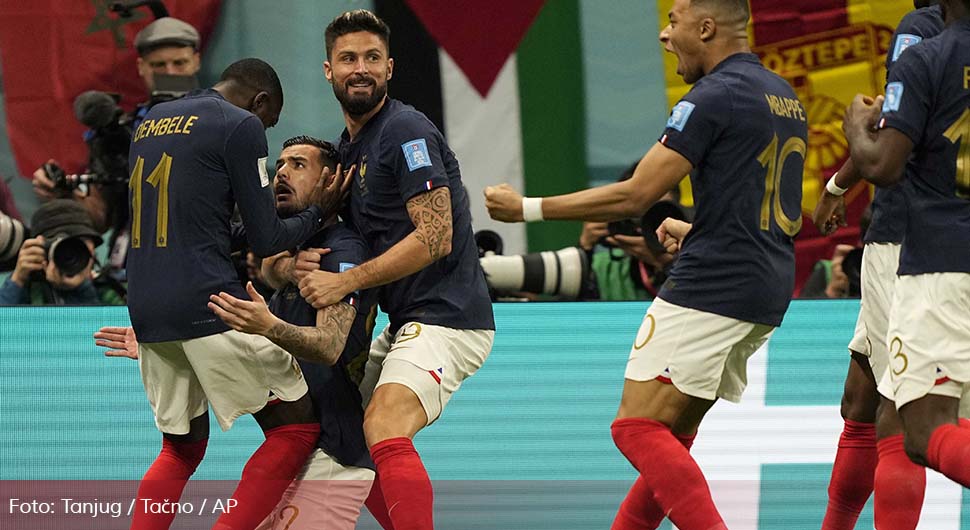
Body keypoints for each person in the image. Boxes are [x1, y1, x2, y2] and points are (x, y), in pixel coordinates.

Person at [486, 0, 805, 527]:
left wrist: (527, 208)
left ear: (706, 27)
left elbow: (637, 194)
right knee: (672, 438)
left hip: (712, 285)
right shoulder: (784, 95)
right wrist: (698, 230)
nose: (664, 34)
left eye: (674, 22)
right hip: (766, 286)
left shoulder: (714, 95)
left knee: (634, 428)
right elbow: (759, 208)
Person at [99, 136, 376, 530]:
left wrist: (268, 324)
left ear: (331, 181)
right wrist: (179, 334)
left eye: (298, 165)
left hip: (333, 452)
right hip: (302, 451)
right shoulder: (290, 249)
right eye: (281, 164)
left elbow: (329, 346)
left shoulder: (341, 251)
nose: (281, 173)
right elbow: (261, 293)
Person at [293, 10, 495, 529]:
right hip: (406, 321)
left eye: (372, 58)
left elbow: (436, 237)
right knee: (345, 434)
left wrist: (344, 281)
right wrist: (289, 263)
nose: (360, 68)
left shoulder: (405, 131)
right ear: (328, 70)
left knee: (383, 424)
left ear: (389, 68)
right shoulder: (348, 149)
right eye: (348, 58)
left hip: (449, 319)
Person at [811, 2, 944, 527]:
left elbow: (890, 133)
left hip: (906, 241)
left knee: (899, 416)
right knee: (861, 401)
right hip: (934, 236)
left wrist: (837, 182)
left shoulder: (923, 28)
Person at [842, 0, 970, 496]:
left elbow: (884, 165)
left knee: (916, 429)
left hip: (939, 263)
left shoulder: (924, 53)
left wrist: (856, 127)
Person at [31, 17, 204, 302]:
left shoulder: (227, 124)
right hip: (133, 273)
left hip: (207, 269)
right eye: (159, 66)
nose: (170, 72)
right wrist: (62, 193)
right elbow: (99, 218)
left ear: (196, 61)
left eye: (179, 63)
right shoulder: (118, 135)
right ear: (141, 67)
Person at [0, 199, 102, 305]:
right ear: (39, 249)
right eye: (61, 247)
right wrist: (17, 280)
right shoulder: (29, 287)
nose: (70, 254)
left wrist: (82, 288)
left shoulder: (103, 287)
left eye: (79, 246)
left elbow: (101, 316)